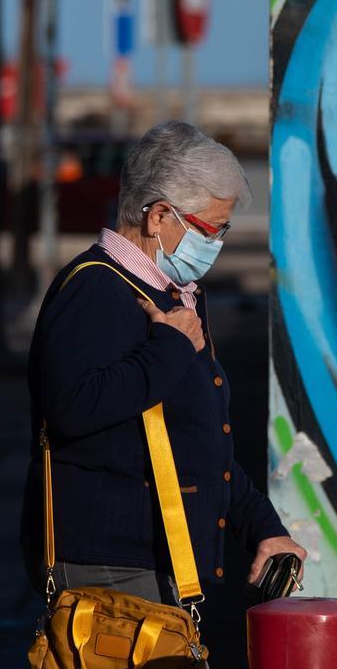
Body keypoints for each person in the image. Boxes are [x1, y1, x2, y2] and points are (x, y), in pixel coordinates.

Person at [20, 121, 306, 636]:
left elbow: (195, 445)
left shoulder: (174, 298)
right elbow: (73, 407)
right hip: (111, 580)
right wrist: (170, 348)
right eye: (212, 228)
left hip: (159, 575)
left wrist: (263, 529)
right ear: (158, 217)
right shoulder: (96, 292)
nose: (217, 242)